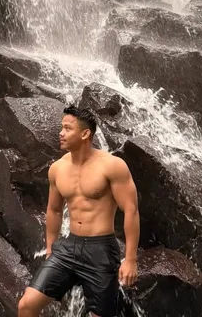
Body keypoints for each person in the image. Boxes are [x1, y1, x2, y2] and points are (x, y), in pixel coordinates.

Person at [18, 105, 140, 317]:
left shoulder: (112, 166)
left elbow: (131, 210)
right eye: (62, 128)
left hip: (101, 250)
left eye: (67, 128)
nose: (61, 133)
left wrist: (130, 260)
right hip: (68, 247)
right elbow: (54, 210)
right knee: (27, 305)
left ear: (85, 134)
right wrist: (50, 249)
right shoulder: (57, 168)